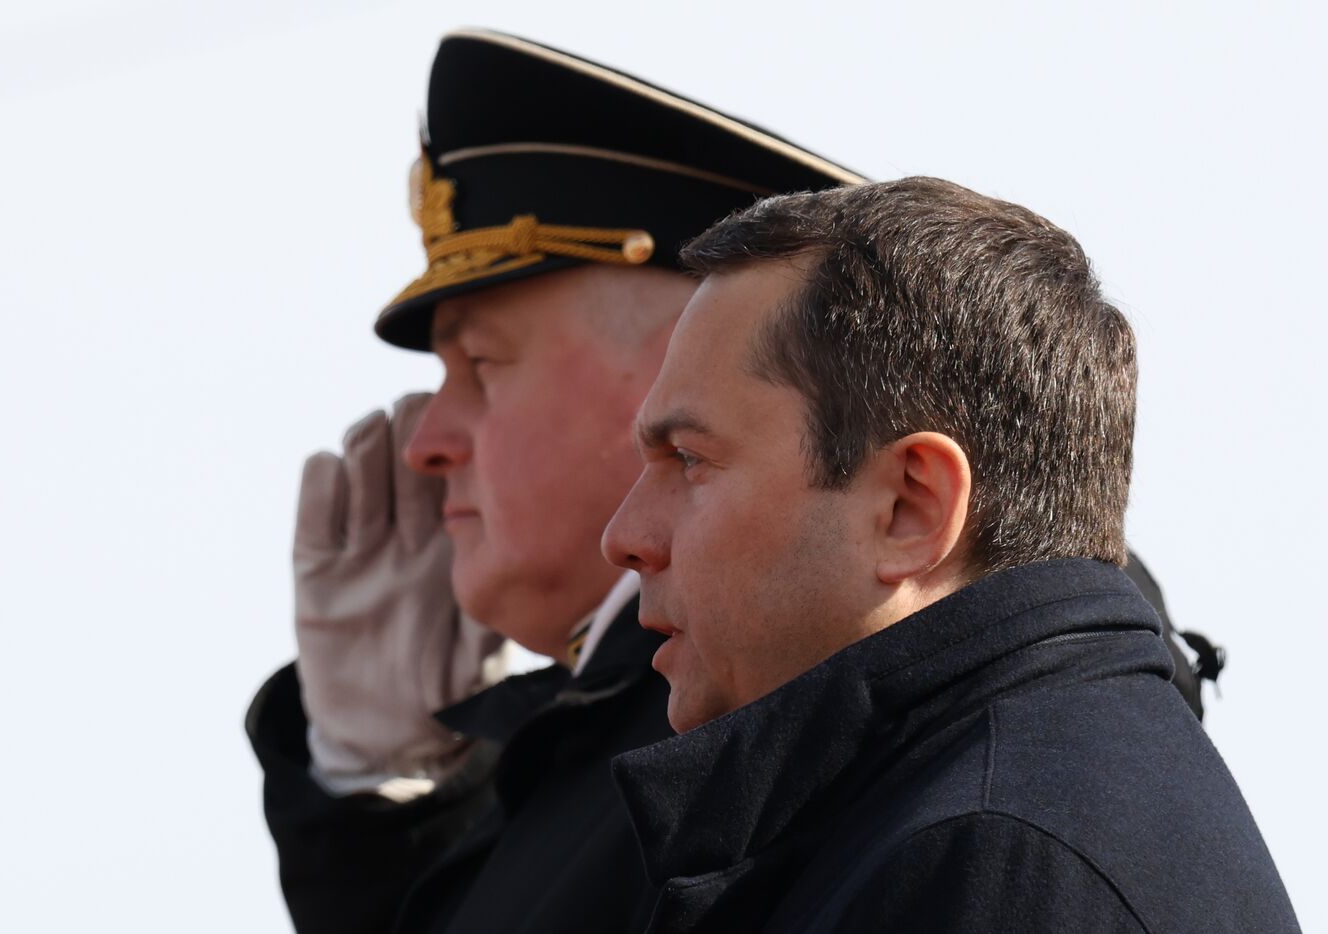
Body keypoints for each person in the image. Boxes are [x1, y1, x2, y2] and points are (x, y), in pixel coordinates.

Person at [245, 29, 865, 934]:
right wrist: (383, 799)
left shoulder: (774, 725)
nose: (427, 441)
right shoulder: (644, 730)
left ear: (678, 371)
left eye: (482, 365)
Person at [602, 178, 1298, 932]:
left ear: (912, 508)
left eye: (690, 459)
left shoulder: (993, 862)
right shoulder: (1004, 812)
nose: (625, 538)